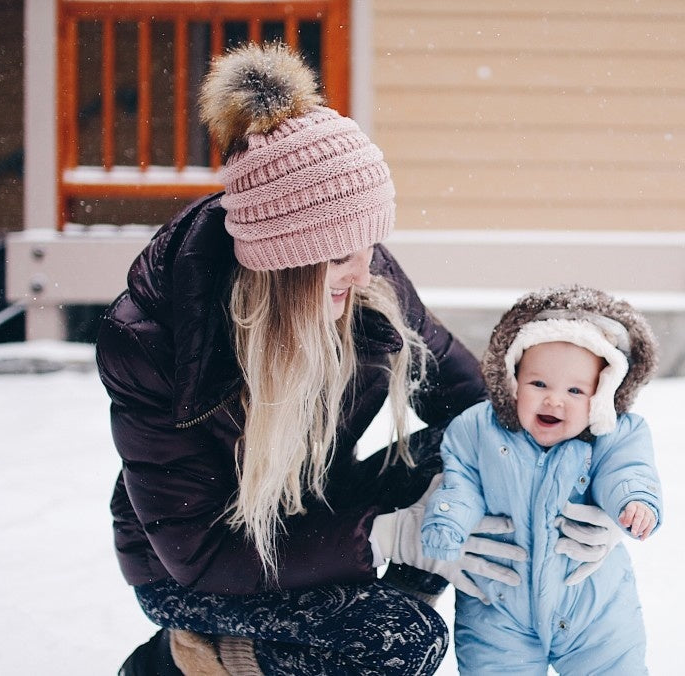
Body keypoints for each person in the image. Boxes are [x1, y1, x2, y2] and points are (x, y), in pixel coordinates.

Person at [95, 43, 534, 676]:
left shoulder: (363, 272)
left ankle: (312, 649)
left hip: (314, 505)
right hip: (200, 564)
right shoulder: (150, 339)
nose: (365, 269)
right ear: (284, 260)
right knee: (400, 639)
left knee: (462, 449)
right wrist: (385, 535)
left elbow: (466, 396)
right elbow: (201, 551)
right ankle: (188, 657)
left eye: (371, 244)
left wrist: (566, 475)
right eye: (341, 254)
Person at [420, 285, 664, 675]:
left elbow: (627, 471)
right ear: (513, 379)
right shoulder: (480, 429)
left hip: (591, 606)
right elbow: (461, 480)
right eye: (539, 384)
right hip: (497, 605)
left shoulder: (614, 435)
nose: (554, 400)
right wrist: (449, 518)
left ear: (601, 396)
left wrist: (633, 501)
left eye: (575, 390)